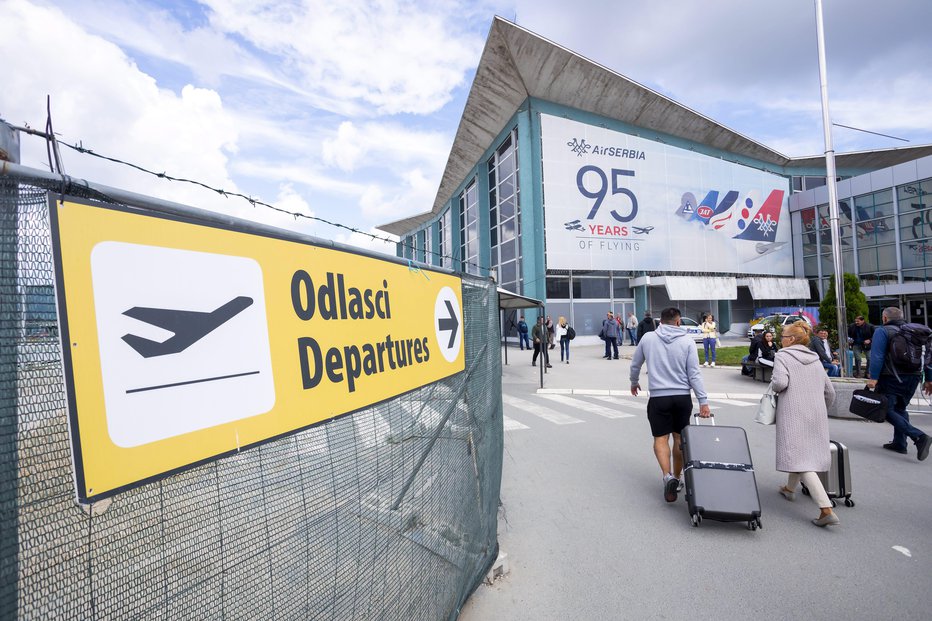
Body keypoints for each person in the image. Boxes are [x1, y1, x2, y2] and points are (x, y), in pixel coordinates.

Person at [630, 307, 711, 502]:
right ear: (677, 322)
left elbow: (635, 364)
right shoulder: (687, 341)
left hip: (659, 397)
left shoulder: (648, 338)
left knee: (660, 439)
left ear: (660, 322)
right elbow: (694, 374)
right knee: (679, 439)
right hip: (682, 398)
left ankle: (666, 476)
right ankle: (677, 477)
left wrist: (634, 382)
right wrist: (703, 401)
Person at [771, 322, 839, 527]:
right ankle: (790, 490)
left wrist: (774, 384)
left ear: (791, 340)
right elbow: (830, 393)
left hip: (793, 412)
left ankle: (825, 509)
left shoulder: (782, 356)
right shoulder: (815, 359)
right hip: (816, 413)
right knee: (800, 452)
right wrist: (820, 408)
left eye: (782, 336)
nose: (780, 339)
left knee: (800, 457)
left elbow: (780, 383)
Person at [866, 306, 931, 460]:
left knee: (885, 409)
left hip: (891, 377)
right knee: (900, 408)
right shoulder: (916, 332)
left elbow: (877, 356)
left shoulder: (883, 331)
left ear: (884, 318)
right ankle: (899, 443)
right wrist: (929, 378)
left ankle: (919, 436)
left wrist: (873, 377)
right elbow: (928, 357)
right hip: (914, 377)